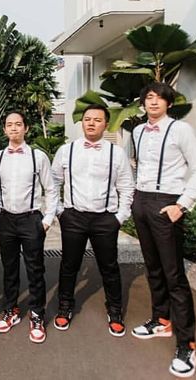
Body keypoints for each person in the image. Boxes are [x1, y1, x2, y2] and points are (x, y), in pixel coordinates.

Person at [129, 83, 196, 378]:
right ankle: (161, 321)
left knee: (174, 276)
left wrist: (182, 205)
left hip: (167, 203)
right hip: (142, 201)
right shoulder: (137, 131)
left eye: (159, 98)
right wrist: (134, 199)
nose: (153, 102)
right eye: (149, 97)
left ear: (169, 104)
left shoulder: (181, 130)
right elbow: (136, 165)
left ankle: (187, 345)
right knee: (153, 269)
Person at [51, 104, 134, 338]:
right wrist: (60, 211)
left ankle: (115, 310)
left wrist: (119, 218)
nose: (91, 123)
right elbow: (53, 182)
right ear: (82, 122)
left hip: (105, 219)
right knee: (69, 265)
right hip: (73, 217)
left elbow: (127, 187)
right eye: (87, 119)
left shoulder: (116, 153)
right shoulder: (66, 151)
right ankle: (65, 306)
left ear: (106, 124)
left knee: (109, 267)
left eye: (97, 120)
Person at [0, 112, 58, 343]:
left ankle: (37, 314)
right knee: (9, 268)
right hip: (6, 220)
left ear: (26, 128)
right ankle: (11, 309)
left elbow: (51, 189)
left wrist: (47, 219)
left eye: (18, 124)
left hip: (31, 220)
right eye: (9, 125)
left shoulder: (38, 157)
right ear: (4, 130)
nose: (14, 128)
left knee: (35, 269)